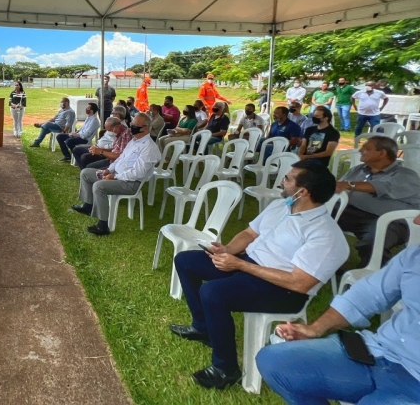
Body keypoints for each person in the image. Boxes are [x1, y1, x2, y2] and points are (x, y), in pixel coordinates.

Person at [170, 160, 349, 389]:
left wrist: (241, 266)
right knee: (186, 260)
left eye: (288, 178)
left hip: (283, 288)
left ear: (302, 191)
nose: (282, 181)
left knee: (213, 292)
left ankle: (225, 369)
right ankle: (203, 327)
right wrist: (226, 252)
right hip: (249, 264)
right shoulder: (280, 206)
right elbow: (249, 233)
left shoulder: (325, 234)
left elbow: (300, 283)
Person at [257, 213, 420, 405]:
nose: (417, 220)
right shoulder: (414, 257)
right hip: (379, 353)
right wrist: (315, 329)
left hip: (413, 382)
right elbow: (368, 294)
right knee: (275, 361)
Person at [70, 113, 161, 236]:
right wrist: (109, 170)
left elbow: (138, 173)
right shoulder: (134, 141)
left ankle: (103, 225)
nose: (131, 127)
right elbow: (120, 159)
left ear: (145, 128)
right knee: (86, 173)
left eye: (135, 125)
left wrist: (115, 176)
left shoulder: (149, 147)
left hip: (131, 183)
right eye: (132, 124)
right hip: (118, 175)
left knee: (99, 186)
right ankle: (88, 205)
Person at [335, 136, 420, 266]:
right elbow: (338, 189)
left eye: (367, 148)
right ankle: (319, 263)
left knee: (373, 243)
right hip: (352, 212)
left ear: (382, 153)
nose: (360, 150)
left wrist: (349, 184)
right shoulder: (358, 170)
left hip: (391, 220)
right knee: (313, 219)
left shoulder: (405, 175)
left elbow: (381, 187)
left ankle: (370, 277)